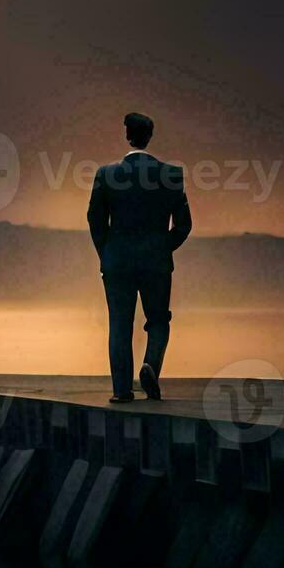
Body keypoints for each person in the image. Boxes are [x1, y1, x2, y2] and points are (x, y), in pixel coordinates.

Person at [86, 113, 192, 403]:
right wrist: (161, 247)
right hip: (156, 263)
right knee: (158, 319)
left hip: (117, 261)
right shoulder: (171, 174)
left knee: (120, 324)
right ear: (150, 136)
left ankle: (122, 390)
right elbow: (184, 225)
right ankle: (151, 367)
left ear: (127, 136)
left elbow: (95, 219)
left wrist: (106, 253)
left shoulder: (105, 174)